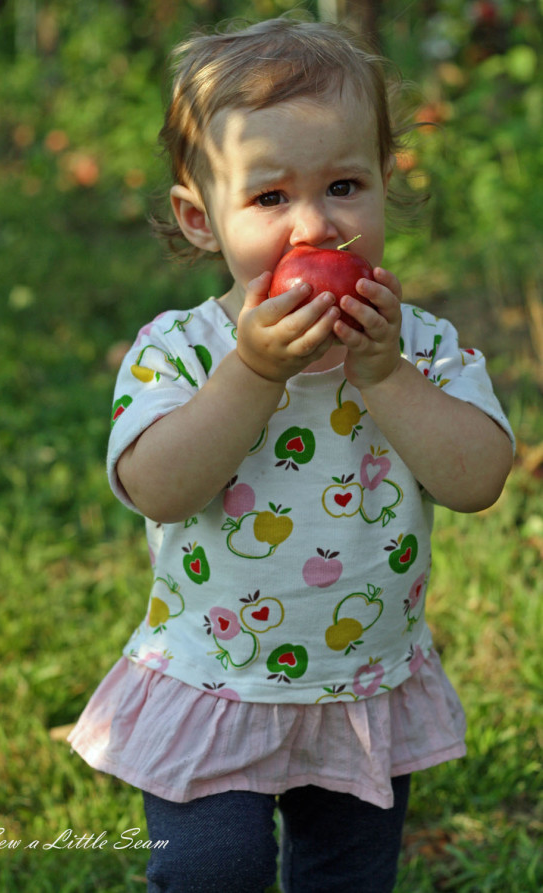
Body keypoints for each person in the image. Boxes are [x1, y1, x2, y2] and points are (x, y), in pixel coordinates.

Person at [68, 17, 514, 893]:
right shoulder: (183, 350)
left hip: (363, 687)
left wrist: (384, 377)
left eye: (344, 184)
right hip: (217, 684)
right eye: (270, 198)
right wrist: (250, 373)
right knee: (212, 871)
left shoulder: (419, 347)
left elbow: (477, 480)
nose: (315, 225)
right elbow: (158, 486)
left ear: (387, 185)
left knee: (347, 876)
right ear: (201, 219)